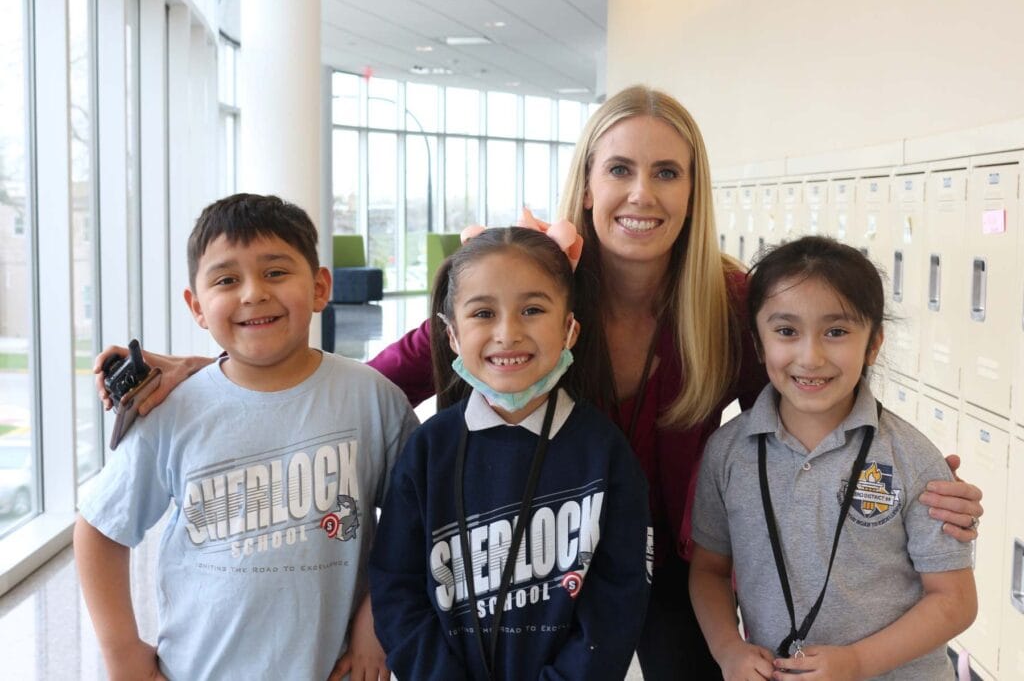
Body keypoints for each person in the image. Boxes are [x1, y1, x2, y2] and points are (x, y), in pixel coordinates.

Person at [93, 85, 984, 678]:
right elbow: (372, 379)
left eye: (667, 172)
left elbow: (811, 386)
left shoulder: (731, 300)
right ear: (588, 182)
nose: (643, 193)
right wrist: (220, 370)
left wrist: (903, 467)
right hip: (534, 556)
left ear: (691, 187)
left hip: (673, 568)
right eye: (621, 169)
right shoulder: (537, 288)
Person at [75, 193, 419, 680]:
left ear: (321, 287)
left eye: (276, 272)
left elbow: (417, 524)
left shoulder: (373, 399)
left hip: (333, 668)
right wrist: (122, 652)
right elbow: (99, 528)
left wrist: (373, 628)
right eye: (226, 280)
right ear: (196, 306)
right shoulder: (171, 409)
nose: (253, 293)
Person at [368, 225, 651, 680]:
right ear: (452, 336)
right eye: (483, 313)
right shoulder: (428, 450)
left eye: (533, 309)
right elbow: (396, 586)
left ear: (569, 328)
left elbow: (619, 595)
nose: (508, 333)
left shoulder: (606, 453)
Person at [689, 236, 977, 681]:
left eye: (837, 332)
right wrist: (729, 649)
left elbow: (954, 601)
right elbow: (709, 570)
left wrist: (857, 662)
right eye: (786, 332)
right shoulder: (728, 453)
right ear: (759, 344)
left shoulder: (913, 459)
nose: (811, 356)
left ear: (873, 344)